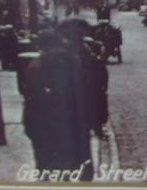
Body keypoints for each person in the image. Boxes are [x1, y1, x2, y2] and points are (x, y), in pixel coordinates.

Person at [22, 30, 94, 180]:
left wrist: (29, 127)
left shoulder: (35, 67)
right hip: (73, 127)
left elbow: (31, 100)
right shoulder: (75, 63)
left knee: (48, 169)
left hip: (45, 128)